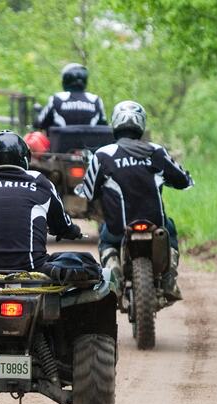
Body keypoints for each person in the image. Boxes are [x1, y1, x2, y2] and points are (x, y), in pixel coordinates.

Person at [80, 100, 194, 301]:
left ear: (115, 123)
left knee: (105, 238)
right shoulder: (156, 151)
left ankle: (112, 272)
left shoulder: (103, 155)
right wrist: (184, 179)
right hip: (155, 225)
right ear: (142, 124)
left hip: (118, 228)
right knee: (171, 230)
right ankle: (169, 278)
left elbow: (88, 193)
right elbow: (182, 181)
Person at [0, 130, 82, 273]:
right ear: (26, 157)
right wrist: (74, 231)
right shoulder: (40, 182)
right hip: (34, 271)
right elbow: (63, 226)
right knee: (80, 264)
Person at [34, 63, 107, 132]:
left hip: (60, 145)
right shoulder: (96, 100)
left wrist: (39, 112)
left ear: (65, 80)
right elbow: (104, 126)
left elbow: (40, 123)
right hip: (92, 145)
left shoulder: (57, 99)